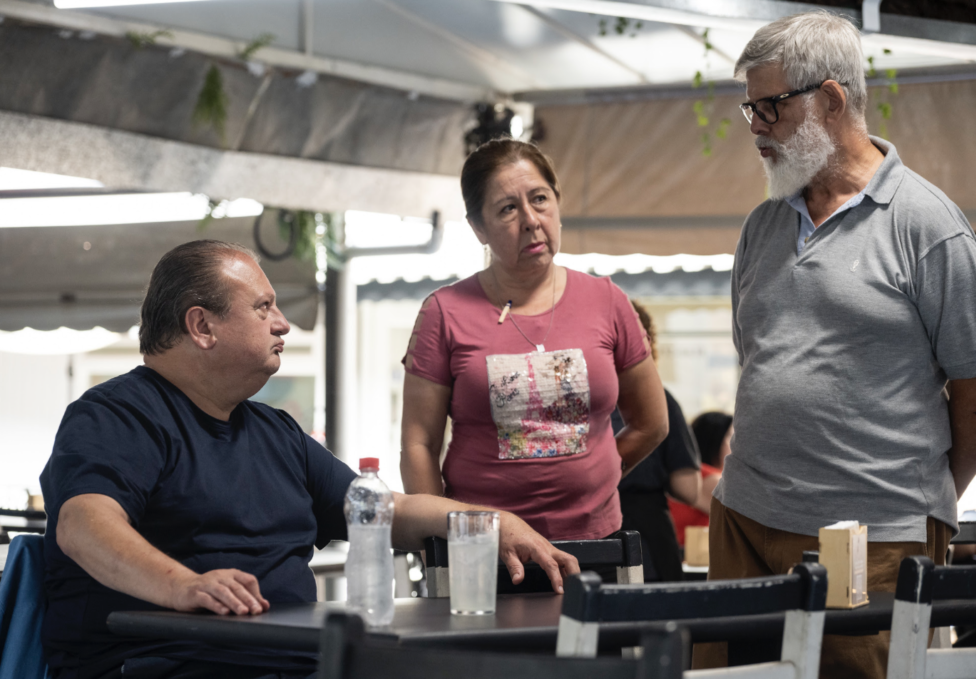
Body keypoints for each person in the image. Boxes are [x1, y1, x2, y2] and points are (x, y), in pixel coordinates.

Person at [40, 240, 579, 679]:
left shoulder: (275, 432)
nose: (283, 324)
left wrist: (492, 523)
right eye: (262, 307)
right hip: (167, 662)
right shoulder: (117, 416)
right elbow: (83, 525)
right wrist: (183, 586)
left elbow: (380, 510)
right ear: (202, 326)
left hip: (292, 661)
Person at [694, 11, 976, 678]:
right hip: (744, 520)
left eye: (771, 107)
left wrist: (919, 497)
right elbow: (759, 359)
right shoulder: (763, 225)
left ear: (832, 100)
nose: (755, 126)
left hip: (869, 536)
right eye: (750, 107)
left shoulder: (928, 225)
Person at [400, 138, 669, 542]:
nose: (530, 219)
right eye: (507, 208)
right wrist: (440, 543)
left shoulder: (608, 301)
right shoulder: (444, 312)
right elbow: (419, 443)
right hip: (483, 548)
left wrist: (598, 474)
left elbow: (652, 423)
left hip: (595, 540)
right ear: (478, 228)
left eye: (539, 199)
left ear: (557, 203)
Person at [612, 300, 701, 582]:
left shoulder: (580, 401)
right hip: (646, 531)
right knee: (656, 618)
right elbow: (687, 488)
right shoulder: (660, 400)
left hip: (589, 529)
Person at [668, 411, 732, 548]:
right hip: (693, 560)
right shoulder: (712, 479)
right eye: (731, 438)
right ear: (714, 441)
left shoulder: (686, 473)